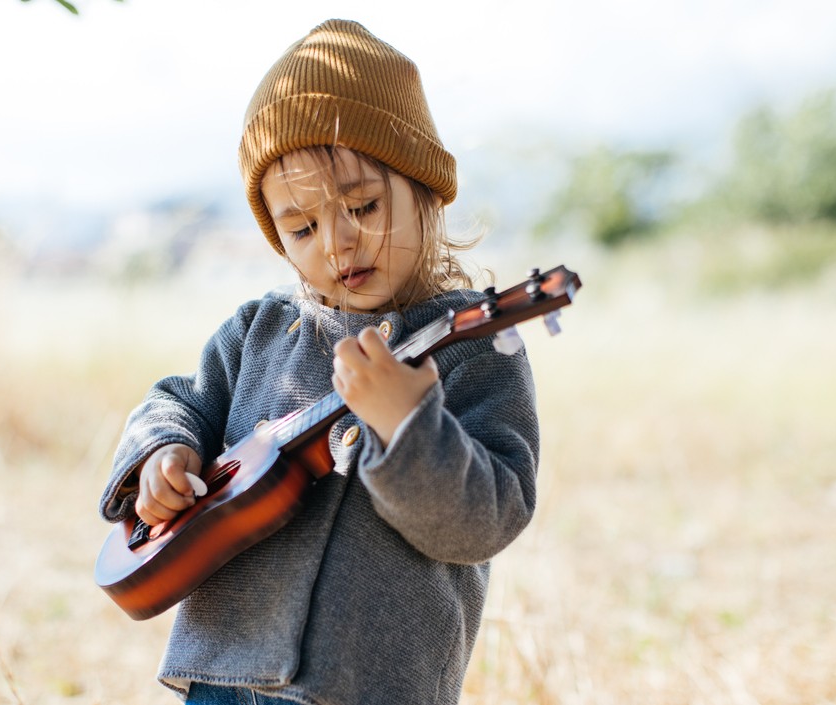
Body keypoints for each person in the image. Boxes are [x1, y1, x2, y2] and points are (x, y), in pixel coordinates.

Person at [98, 19, 540, 705]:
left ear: (422, 184)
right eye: (301, 227)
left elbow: (489, 518)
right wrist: (164, 453)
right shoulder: (260, 330)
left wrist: (408, 426)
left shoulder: (472, 346)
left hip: (369, 683)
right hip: (225, 669)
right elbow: (176, 400)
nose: (336, 242)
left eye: (362, 205)